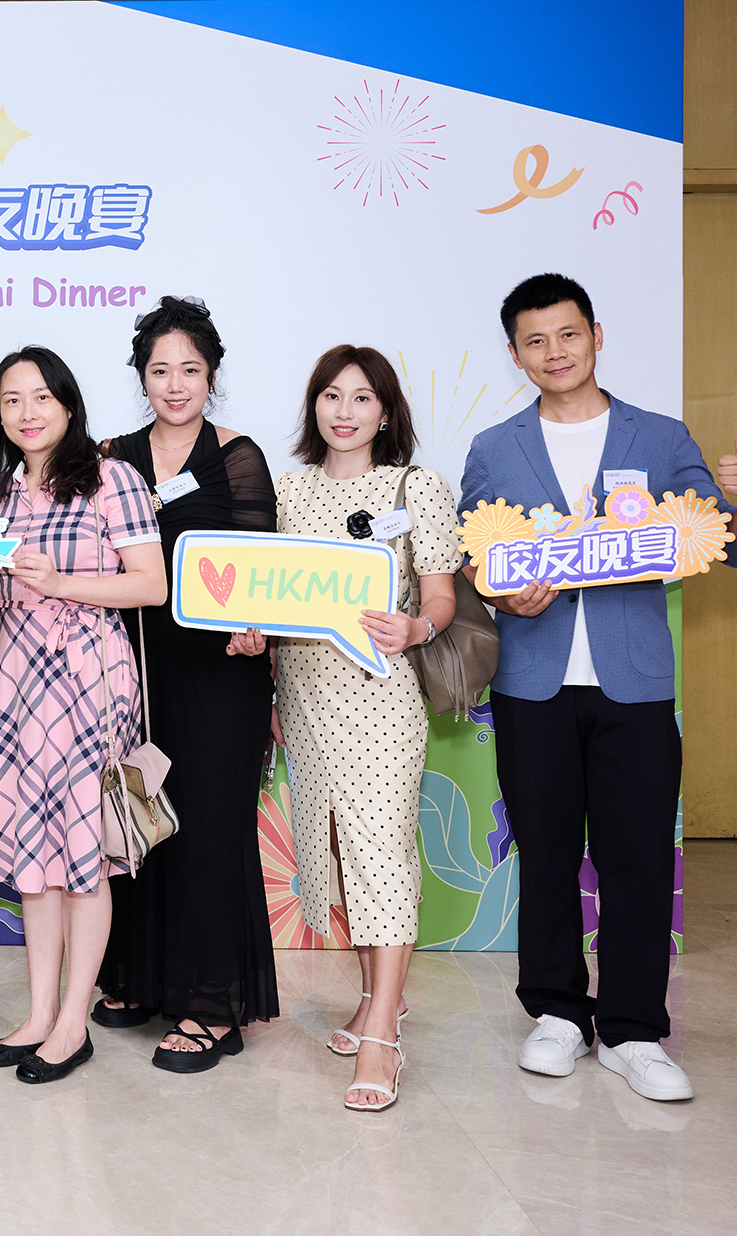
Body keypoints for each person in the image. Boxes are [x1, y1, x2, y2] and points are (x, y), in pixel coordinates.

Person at [462, 273, 737, 1103]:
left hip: (634, 686)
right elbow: (474, 560)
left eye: (567, 334)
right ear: (515, 354)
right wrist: (502, 594)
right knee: (547, 852)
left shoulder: (659, 436)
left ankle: (633, 1029)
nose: (554, 351)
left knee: (636, 857)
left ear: (596, 335)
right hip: (532, 683)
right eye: (535, 340)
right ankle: (557, 1011)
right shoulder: (495, 447)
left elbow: (734, 545)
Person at [241, 344, 459, 1111]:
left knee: (382, 854)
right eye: (331, 395)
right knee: (335, 849)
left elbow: (440, 596)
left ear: (386, 411)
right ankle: (375, 999)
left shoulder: (414, 486)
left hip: (380, 698)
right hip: (304, 698)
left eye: (362, 397)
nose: (344, 410)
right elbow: (271, 595)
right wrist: (266, 673)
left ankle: (382, 1040)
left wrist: (417, 628)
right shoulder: (289, 489)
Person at [0, 347, 165, 1084]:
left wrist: (62, 581)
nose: (27, 412)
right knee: (33, 857)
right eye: (11, 400)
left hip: (88, 682)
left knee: (83, 855)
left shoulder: (113, 478)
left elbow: (151, 585)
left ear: (69, 404)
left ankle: (74, 1020)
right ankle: (39, 1013)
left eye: (41, 397)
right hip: (14, 684)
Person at [95, 297, 281, 1072]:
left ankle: (212, 1004)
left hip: (220, 671)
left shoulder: (238, 455)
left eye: (190, 370)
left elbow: (263, 572)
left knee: (206, 830)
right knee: (140, 821)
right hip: (133, 668)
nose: (175, 385)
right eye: (160, 370)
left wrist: (260, 627)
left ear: (211, 375)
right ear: (142, 376)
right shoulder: (111, 457)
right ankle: (141, 980)